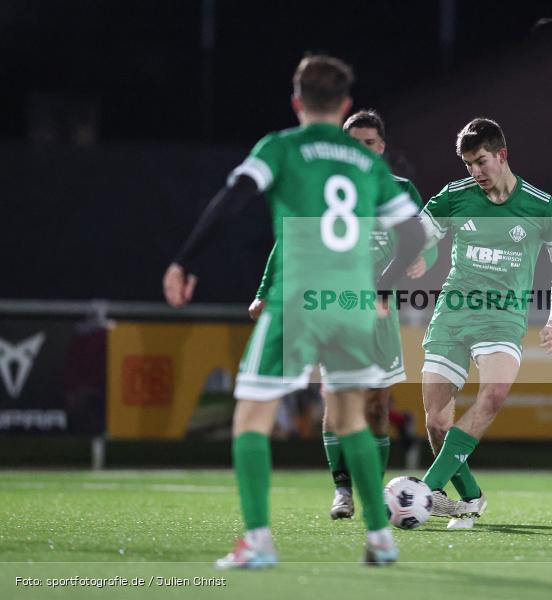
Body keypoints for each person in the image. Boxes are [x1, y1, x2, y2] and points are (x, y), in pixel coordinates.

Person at [162, 55, 425, 567]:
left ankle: (259, 543)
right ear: (345, 104)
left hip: (300, 299)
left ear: (297, 100)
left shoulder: (281, 147)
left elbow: (233, 196)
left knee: (251, 419)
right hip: (351, 305)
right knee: (352, 417)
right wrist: (381, 290)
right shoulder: (368, 163)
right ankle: (379, 539)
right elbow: (414, 232)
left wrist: (184, 260)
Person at [250, 109, 437, 520]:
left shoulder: (401, 190)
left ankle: (372, 491)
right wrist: (266, 290)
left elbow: (426, 238)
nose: (360, 149)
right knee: (334, 402)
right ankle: (342, 491)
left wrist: (425, 259)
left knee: (376, 406)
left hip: (379, 314)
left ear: (381, 147)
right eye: (353, 142)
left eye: (368, 143)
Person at [416, 118, 552, 528]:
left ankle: (425, 490)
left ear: (502, 155)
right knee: (436, 422)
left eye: (481, 162)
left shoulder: (541, 205)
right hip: (454, 311)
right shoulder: (455, 196)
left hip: (503, 315)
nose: (475, 172)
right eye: (468, 164)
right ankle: (470, 497)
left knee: (496, 392)